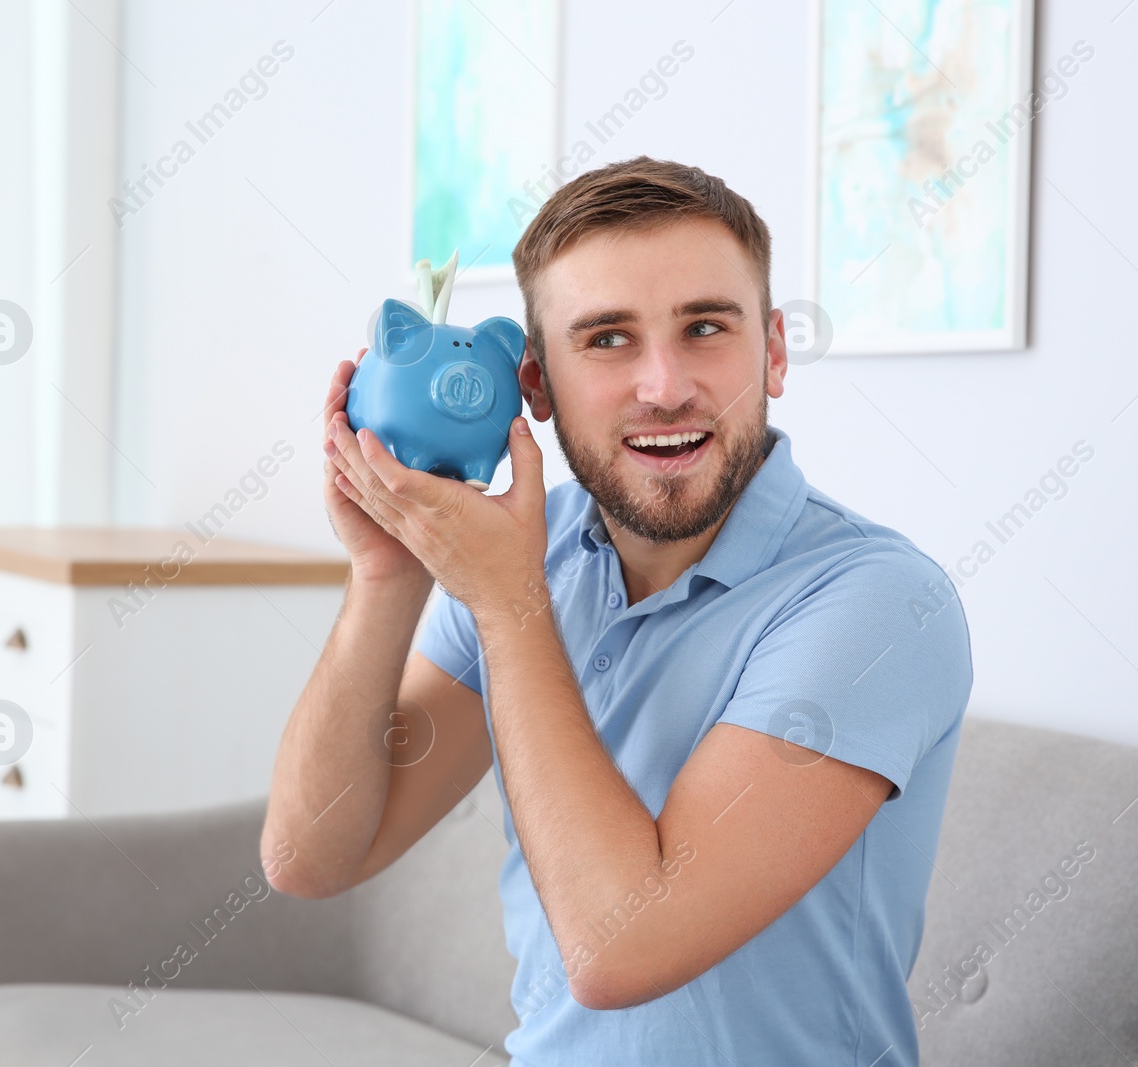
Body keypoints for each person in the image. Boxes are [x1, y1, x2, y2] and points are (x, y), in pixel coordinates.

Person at [260, 156, 973, 1066]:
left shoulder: (876, 602)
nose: (665, 385)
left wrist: (507, 603)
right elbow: (313, 857)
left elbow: (619, 948)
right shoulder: (529, 553)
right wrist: (389, 574)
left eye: (705, 327)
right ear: (538, 388)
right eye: (606, 339)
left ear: (776, 350)